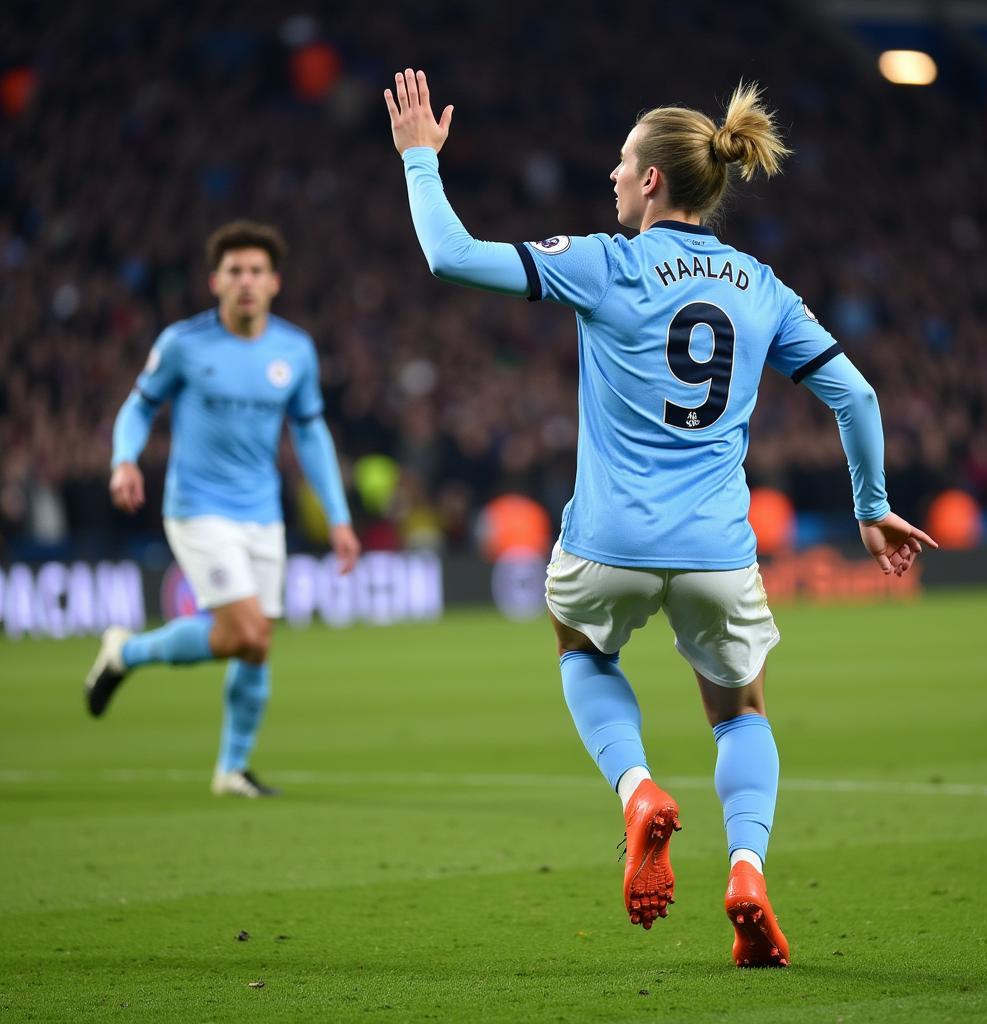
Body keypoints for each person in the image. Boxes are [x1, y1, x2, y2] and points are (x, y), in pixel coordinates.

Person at [385, 69, 937, 966]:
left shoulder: (605, 261)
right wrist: (871, 509)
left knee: (581, 649)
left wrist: (418, 161)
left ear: (651, 181)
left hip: (609, 541)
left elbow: (451, 255)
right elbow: (857, 395)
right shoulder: (761, 284)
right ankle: (749, 872)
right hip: (719, 549)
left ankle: (638, 790)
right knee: (740, 711)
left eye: (621, 161)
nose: (610, 174)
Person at [85, 221, 361, 798]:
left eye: (256, 272)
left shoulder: (295, 350)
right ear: (215, 281)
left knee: (256, 643)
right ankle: (127, 653)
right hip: (197, 508)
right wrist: (124, 460)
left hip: (263, 515)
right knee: (246, 630)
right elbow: (138, 408)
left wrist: (337, 516)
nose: (246, 282)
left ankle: (231, 769)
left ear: (275, 283)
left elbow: (311, 436)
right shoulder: (184, 344)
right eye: (234, 271)